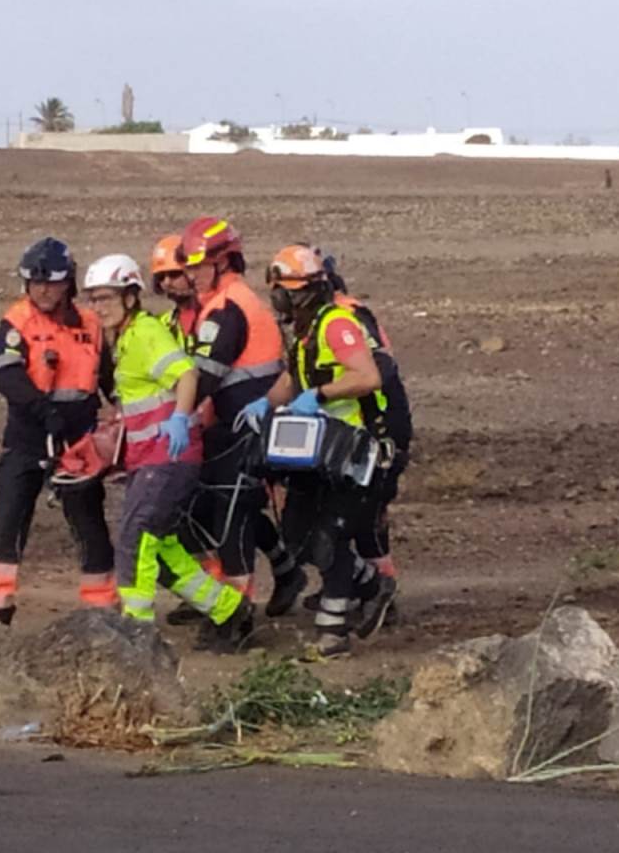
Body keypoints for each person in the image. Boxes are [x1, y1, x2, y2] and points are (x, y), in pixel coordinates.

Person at [81, 253, 254, 649]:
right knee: (160, 549)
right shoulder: (126, 339)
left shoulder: (144, 334)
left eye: (106, 298)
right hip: (150, 459)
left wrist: (180, 419)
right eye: (93, 299)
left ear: (129, 297)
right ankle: (229, 609)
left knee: (135, 539)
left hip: (168, 458)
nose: (98, 307)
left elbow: (187, 374)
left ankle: (136, 636)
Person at [241, 244, 398, 658]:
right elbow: (292, 380)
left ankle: (333, 635)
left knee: (329, 538)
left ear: (298, 291)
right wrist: (265, 404)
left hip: (352, 449)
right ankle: (372, 584)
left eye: (280, 291)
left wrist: (320, 395)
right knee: (297, 534)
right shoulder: (306, 333)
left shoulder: (336, 326)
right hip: (317, 450)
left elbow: (366, 376)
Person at [0, 237, 116, 625]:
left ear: (67, 283)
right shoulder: (17, 321)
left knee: (89, 522)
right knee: (9, 518)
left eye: (50, 283)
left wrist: (128, 413)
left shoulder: (91, 324)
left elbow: (109, 377)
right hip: (28, 435)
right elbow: (5, 374)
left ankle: (101, 610)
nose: (41, 289)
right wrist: (43, 409)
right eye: (34, 282)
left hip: (79, 441)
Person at [287, 249, 413, 618]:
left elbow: (378, 374)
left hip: (375, 432)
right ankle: (357, 586)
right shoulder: (312, 326)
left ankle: (376, 594)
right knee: (337, 523)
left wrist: (383, 438)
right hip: (346, 435)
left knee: (363, 522)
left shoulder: (345, 320)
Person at [178, 217, 288, 633]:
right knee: (228, 511)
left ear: (222, 263)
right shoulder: (228, 301)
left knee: (231, 516)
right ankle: (270, 580)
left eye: (197, 266)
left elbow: (204, 375)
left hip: (244, 430)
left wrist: (172, 414)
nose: (190, 275)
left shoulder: (225, 310)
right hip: (239, 426)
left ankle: (236, 616)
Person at [149, 233, 198, 350]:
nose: (167, 282)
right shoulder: (162, 324)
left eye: (174, 274)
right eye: (161, 277)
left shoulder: (215, 316)